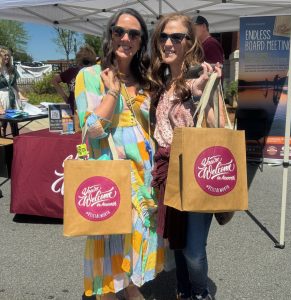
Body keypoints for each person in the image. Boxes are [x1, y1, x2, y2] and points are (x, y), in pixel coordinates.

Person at [75, 8, 164, 300]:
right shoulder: (89, 76)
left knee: (134, 242)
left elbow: (153, 127)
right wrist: (112, 93)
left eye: (133, 33)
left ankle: (131, 288)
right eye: (119, 31)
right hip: (108, 175)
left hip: (142, 176)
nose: (125, 38)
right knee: (109, 241)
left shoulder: (146, 78)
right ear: (110, 35)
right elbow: (91, 129)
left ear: (141, 40)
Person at [150, 13, 223, 300]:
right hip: (168, 171)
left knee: (193, 250)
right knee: (177, 243)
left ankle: (201, 293)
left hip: (196, 171)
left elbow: (217, 129)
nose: (168, 43)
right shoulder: (162, 80)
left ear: (189, 42)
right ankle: (183, 291)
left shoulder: (202, 75)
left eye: (176, 37)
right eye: (163, 37)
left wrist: (202, 93)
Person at [52, 45, 96, 114]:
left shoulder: (96, 74)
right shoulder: (71, 72)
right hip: (73, 112)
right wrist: (65, 98)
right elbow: (54, 80)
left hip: (90, 114)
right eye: (81, 63)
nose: (82, 66)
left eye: (86, 63)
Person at [0, 46, 27, 137]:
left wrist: (20, 95)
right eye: (5, 55)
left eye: (8, 55)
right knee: (2, 124)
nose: (7, 57)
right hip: (2, 98)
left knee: (14, 123)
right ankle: (3, 148)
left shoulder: (12, 69)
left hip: (12, 97)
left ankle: (16, 146)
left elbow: (14, 84)